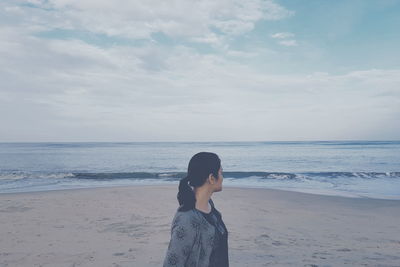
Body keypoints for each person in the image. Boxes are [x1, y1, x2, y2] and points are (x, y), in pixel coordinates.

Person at [163, 152, 229, 267]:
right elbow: (171, 263)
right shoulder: (187, 219)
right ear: (211, 178)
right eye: (221, 172)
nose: (222, 178)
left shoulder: (210, 207)